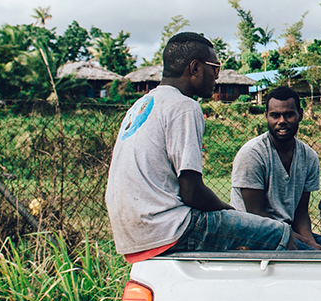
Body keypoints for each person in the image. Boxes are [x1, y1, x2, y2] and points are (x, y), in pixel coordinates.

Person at [105, 31, 292, 260]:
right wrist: (228, 210)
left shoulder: (142, 104)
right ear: (195, 68)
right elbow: (191, 191)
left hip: (132, 235)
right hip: (168, 228)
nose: (217, 77)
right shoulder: (184, 106)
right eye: (215, 68)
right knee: (279, 232)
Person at [231, 86, 321, 250]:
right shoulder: (252, 154)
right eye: (275, 115)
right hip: (255, 234)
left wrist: (311, 242)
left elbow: (301, 212)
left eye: (288, 115)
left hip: (289, 232)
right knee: (316, 259)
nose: (281, 121)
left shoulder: (308, 156)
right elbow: (256, 215)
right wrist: (308, 245)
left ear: (300, 115)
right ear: (266, 116)